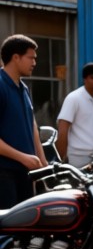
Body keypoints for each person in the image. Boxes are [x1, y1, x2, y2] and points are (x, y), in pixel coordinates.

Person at [0, 34, 48, 208]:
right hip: (4, 173)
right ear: (16, 57)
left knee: (26, 230)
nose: (35, 63)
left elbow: (32, 125)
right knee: (7, 232)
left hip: (25, 173)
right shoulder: (1, 85)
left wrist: (42, 162)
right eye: (31, 58)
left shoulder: (24, 88)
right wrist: (22, 157)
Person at [56, 62, 93, 167]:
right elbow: (63, 129)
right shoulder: (74, 98)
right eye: (92, 78)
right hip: (76, 157)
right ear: (85, 79)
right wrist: (61, 159)